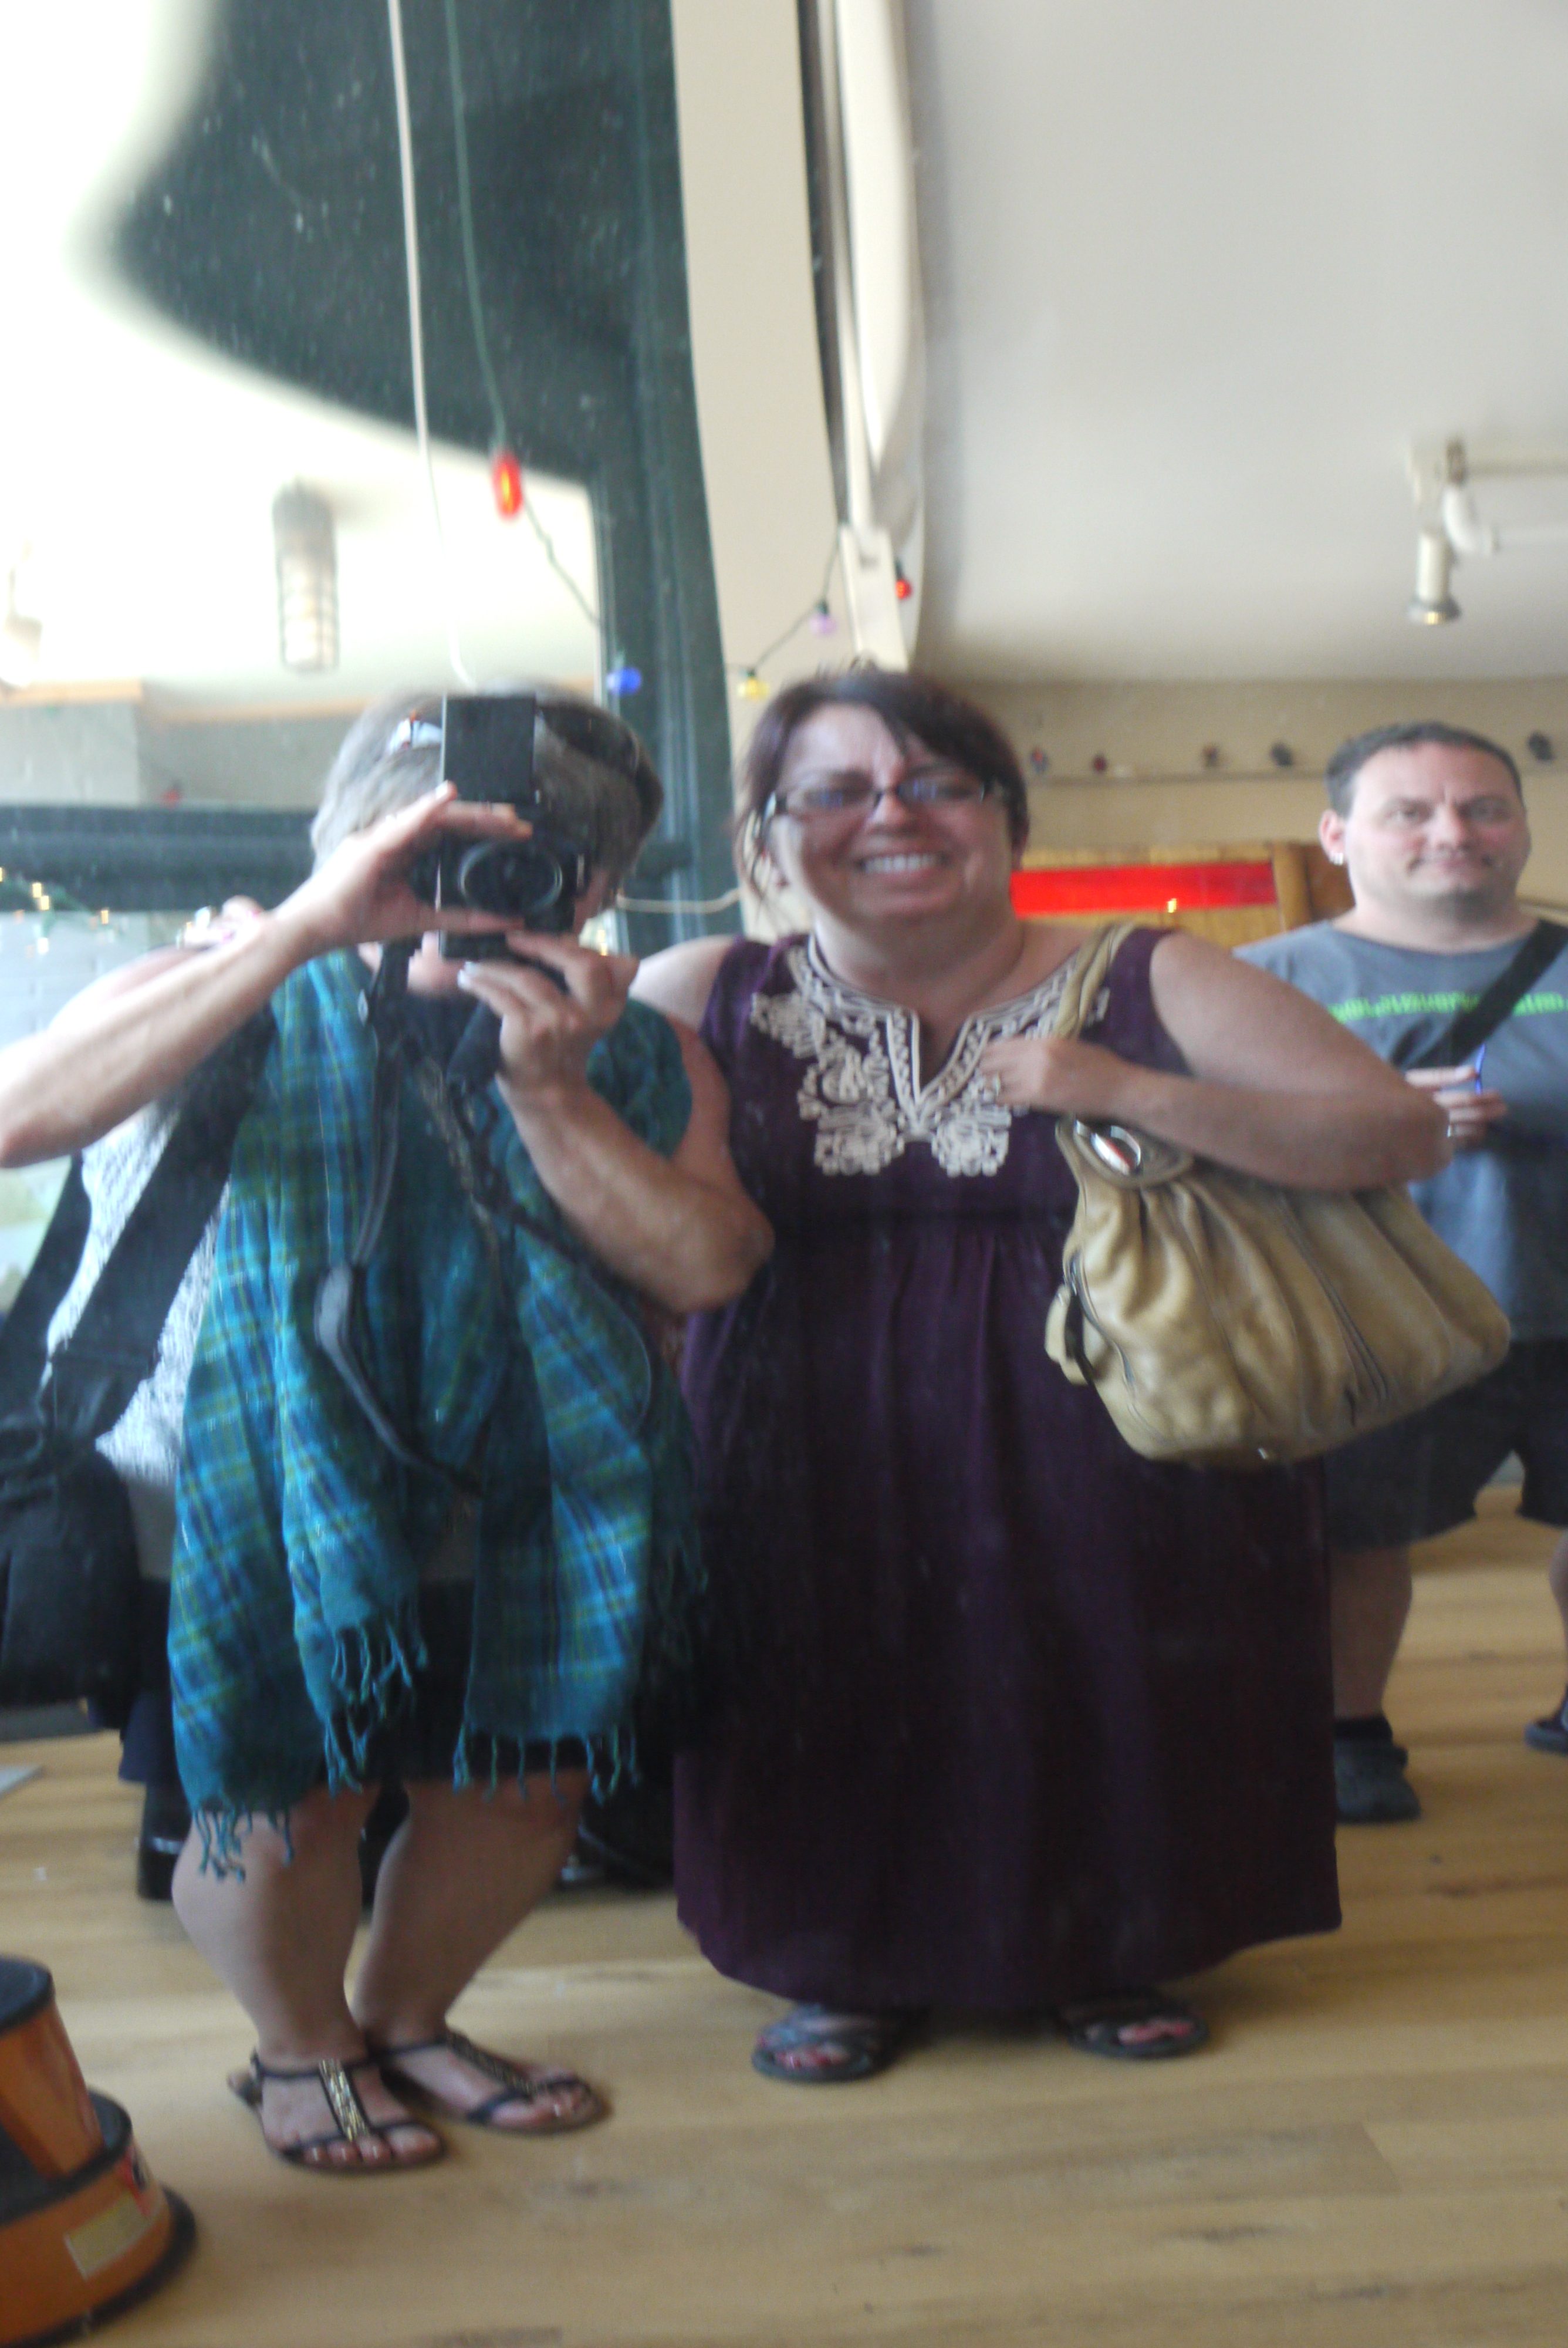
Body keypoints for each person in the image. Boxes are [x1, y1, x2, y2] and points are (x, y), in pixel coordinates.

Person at [633, 668, 1445, 2080]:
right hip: (796, 1420)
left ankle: (1110, 1944)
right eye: (834, 791)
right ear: (767, 837)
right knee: (810, 1671)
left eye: (936, 784)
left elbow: (1396, 1133)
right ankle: (835, 1957)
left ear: (1006, 819)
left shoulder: (1151, 973)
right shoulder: (700, 988)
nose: (891, 814)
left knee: (1105, 1671)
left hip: (1121, 1407)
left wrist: (1126, 1089)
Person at [0, 691, 771, 2169]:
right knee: (286, 1797)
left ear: (596, 884)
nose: (465, 891)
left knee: (528, 1782)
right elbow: (19, 1116)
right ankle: (302, 2044)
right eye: (427, 849)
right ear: (349, 837)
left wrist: (552, 1090)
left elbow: (708, 1265)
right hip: (244, 1494)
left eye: (528, 859)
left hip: (541, 1488)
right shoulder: (217, 981)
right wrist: (301, 932)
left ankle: (410, 2017)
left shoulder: (629, 1048)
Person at [1241, 721, 1568, 1823]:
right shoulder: (1264, 981)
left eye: (1483, 808)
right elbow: (1192, 1157)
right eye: (1411, 813)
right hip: (1376, 1322)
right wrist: (1367, 1124)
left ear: (1521, 826)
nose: (1453, 833)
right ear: (1338, 835)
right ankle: (1351, 1740)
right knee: (1358, 1539)